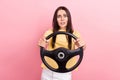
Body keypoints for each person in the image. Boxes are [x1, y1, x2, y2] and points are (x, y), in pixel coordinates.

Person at [38, 6, 86, 80]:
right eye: (59, 16)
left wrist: (82, 44)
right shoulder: (49, 32)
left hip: (64, 73)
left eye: (65, 16)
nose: (62, 19)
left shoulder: (75, 34)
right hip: (47, 71)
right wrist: (41, 43)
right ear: (55, 19)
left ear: (68, 18)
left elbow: (83, 47)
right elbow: (42, 45)